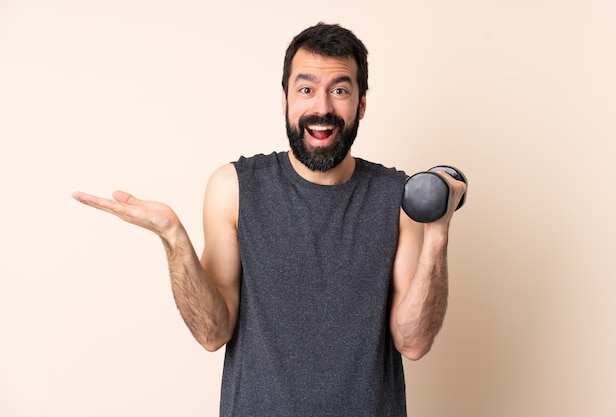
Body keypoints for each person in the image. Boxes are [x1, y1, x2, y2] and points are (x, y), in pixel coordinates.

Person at [72, 22, 466, 417]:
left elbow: (413, 342)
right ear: (285, 100)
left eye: (340, 90)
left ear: (362, 104)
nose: (322, 107)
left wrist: (438, 231)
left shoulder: (398, 197)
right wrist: (174, 238)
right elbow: (212, 333)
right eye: (306, 89)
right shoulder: (235, 188)